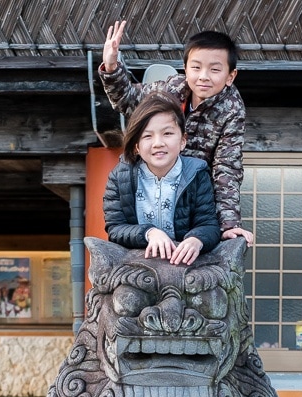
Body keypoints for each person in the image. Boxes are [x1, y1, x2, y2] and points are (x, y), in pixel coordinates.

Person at [100, 21, 253, 247]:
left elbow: (227, 167)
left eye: (215, 69)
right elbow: (129, 100)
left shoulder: (232, 110)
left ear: (230, 76)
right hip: (152, 178)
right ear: (185, 67)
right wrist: (111, 66)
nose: (203, 76)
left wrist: (228, 224)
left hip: (193, 189)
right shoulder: (171, 89)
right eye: (196, 67)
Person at [103, 93, 221, 266]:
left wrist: (196, 239)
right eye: (147, 136)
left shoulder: (198, 173)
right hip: (137, 263)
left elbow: (209, 224)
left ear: (182, 141)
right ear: (136, 146)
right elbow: (115, 229)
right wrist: (149, 233)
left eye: (167, 133)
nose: (158, 143)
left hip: (183, 263)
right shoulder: (119, 177)